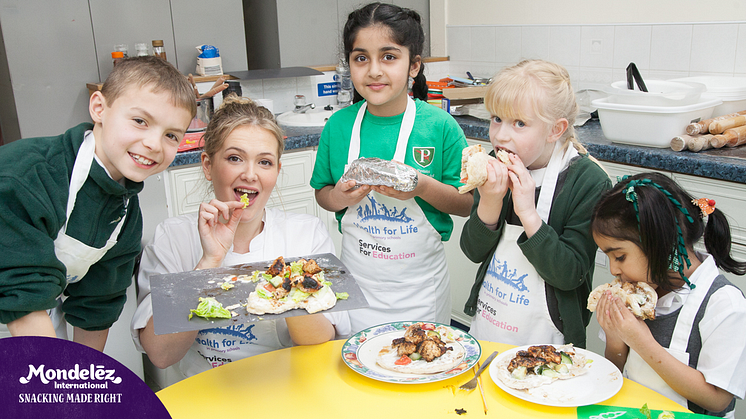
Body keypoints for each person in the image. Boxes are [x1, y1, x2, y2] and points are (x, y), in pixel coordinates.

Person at [131, 96, 350, 379]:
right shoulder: (172, 238)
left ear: (277, 172)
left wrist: (287, 285)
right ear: (208, 166)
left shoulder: (304, 235)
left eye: (265, 162)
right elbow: (160, 354)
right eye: (235, 158)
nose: (250, 174)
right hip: (202, 398)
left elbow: (322, 343)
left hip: (287, 393)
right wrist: (209, 263)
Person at [0, 56, 195, 350]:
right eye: (140, 121)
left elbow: (97, 304)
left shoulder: (125, 215)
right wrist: (60, 383)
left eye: (171, 135)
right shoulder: (27, 176)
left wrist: (84, 379)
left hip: (30, 312)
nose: (154, 144)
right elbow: (23, 290)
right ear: (99, 108)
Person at [310, 2, 472, 333]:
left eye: (389, 56)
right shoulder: (339, 126)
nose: (373, 70)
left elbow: (467, 203)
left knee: (421, 369)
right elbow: (322, 194)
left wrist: (421, 186)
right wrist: (340, 197)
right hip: (357, 286)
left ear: (413, 66)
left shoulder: (439, 126)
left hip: (420, 293)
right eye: (361, 58)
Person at [460, 59, 611, 348]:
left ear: (556, 129)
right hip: (491, 324)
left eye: (519, 123)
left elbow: (570, 275)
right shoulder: (494, 163)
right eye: (496, 119)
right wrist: (490, 202)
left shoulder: (588, 182)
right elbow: (472, 251)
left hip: (549, 341)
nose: (501, 135)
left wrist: (528, 214)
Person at [592, 172, 746, 417]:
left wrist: (641, 341)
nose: (613, 270)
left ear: (661, 243)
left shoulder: (724, 304)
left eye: (619, 256)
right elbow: (615, 368)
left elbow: (717, 399)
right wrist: (615, 337)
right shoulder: (640, 294)